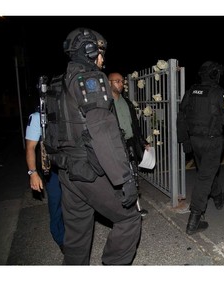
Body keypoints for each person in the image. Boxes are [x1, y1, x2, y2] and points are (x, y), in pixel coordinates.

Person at [54, 28, 141, 265]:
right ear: (89, 50)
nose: (102, 57)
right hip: (90, 170)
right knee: (129, 219)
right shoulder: (90, 79)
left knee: (77, 236)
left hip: (67, 170)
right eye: (100, 51)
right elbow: (102, 132)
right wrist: (124, 179)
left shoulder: (60, 81)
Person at [177, 61, 224, 235]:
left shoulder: (191, 92)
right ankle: (194, 219)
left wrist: (185, 140)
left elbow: (181, 117)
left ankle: (217, 197)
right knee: (204, 177)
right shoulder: (220, 93)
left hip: (195, 141)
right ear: (215, 74)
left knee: (206, 171)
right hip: (212, 142)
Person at [108, 72, 151, 217]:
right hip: (115, 146)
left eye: (122, 81)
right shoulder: (105, 104)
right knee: (119, 179)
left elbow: (135, 126)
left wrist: (143, 142)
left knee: (133, 175)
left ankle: (136, 208)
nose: (121, 84)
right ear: (109, 83)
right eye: (117, 81)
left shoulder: (126, 102)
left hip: (130, 143)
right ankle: (120, 209)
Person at [25, 110, 65, 253]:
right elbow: (30, 148)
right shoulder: (37, 117)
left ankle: (72, 234)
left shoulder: (66, 109)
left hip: (70, 165)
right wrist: (33, 173)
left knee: (72, 203)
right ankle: (59, 237)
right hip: (51, 167)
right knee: (56, 201)